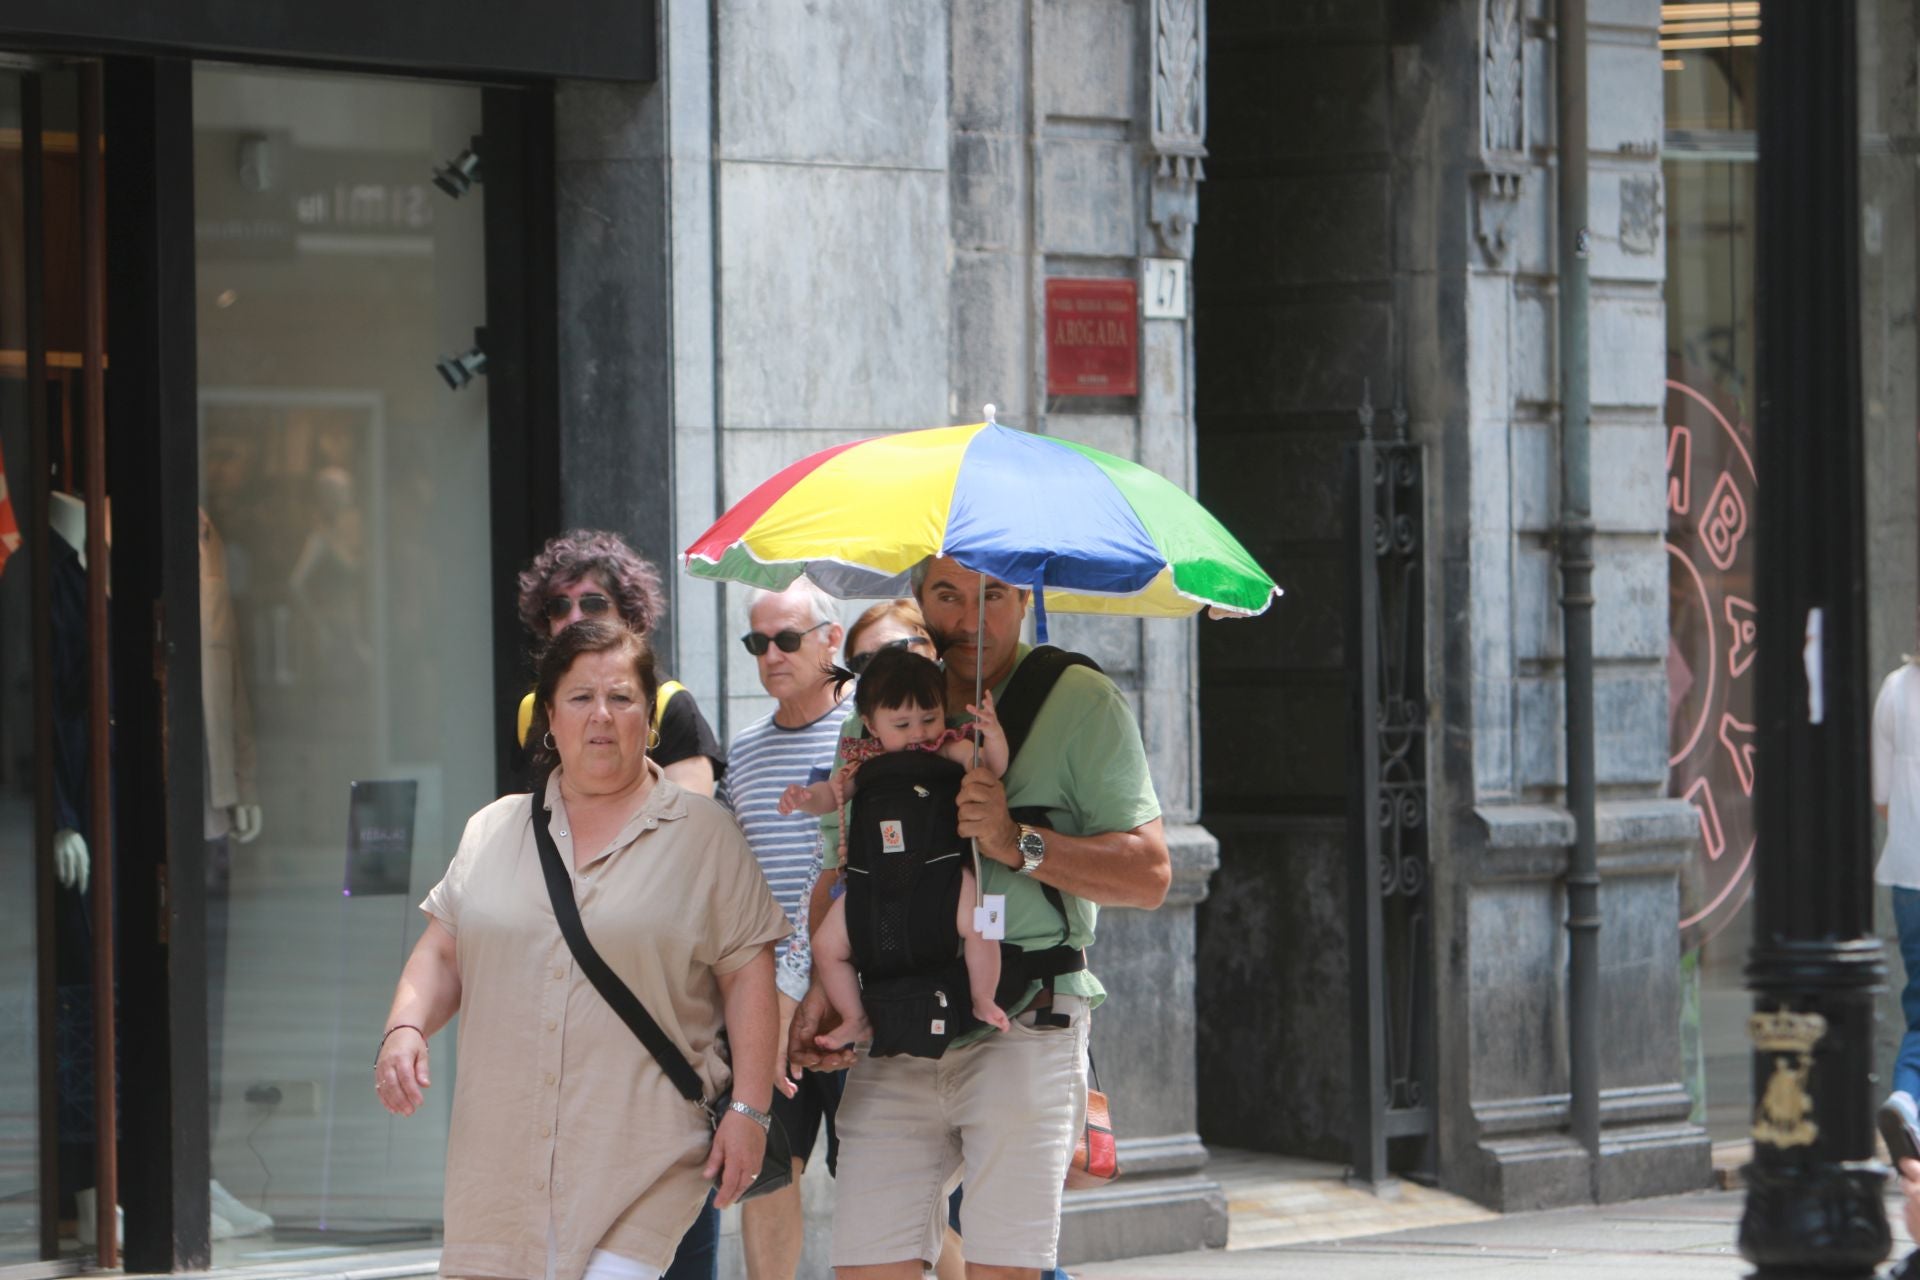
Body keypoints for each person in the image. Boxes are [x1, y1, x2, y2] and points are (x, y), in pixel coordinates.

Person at [790, 556, 1170, 1280]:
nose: (970, 619)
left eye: (993, 594)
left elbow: (1150, 875)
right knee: (867, 1266)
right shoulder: (888, 708)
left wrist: (1014, 841)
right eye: (948, 596)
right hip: (897, 1021)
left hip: (1022, 1017)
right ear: (918, 600)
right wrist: (819, 985)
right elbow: (843, 870)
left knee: (1002, 1269)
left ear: (1023, 597)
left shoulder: (1077, 699)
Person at [375, 621, 788, 1280]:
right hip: (500, 1167)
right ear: (548, 719)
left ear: (648, 719)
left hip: (643, 1157)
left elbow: (747, 978)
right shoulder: (492, 829)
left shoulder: (704, 836)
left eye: (622, 698)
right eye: (580, 698)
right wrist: (405, 1027)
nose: (601, 715)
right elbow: (443, 953)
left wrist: (749, 1108)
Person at [715, 577, 851, 1280]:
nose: (771, 655)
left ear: (833, 639)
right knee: (767, 1170)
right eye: (757, 642)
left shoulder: (868, 732)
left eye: (787, 639)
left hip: (859, 994)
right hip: (767, 1002)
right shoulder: (741, 753)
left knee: (881, 1177)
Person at [779, 647, 1011, 1041]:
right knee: (826, 945)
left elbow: (991, 764)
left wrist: (993, 733)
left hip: (942, 870)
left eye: (929, 718)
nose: (919, 733)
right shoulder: (862, 765)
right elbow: (829, 794)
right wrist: (804, 799)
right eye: (902, 724)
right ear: (870, 725)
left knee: (981, 924)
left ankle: (982, 996)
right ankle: (855, 1015)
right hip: (873, 878)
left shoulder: (948, 748)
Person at [517, 530, 726, 796]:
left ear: (627, 613)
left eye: (593, 603)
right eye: (559, 606)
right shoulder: (530, 710)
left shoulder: (671, 704)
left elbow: (691, 826)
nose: (575, 617)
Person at [1877, 655, 1920, 1163]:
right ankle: (1908, 1102)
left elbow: (1882, 797)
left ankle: (1907, 1098)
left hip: (1909, 877)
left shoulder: (1894, 690)